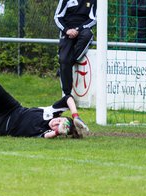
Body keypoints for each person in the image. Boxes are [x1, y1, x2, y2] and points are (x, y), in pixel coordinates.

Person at [0, 40, 86, 139]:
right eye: (60, 121)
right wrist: (75, 115)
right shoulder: (51, 112)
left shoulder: (44, 131)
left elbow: (49, 136)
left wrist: (58, 132)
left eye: (59, 126)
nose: (56, 123)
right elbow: (68, 98)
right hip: (10, 108)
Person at [54, 0, 96, 132]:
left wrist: (78, 29)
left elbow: (93, 19)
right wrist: (67, 30)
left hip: (82, 31)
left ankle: (65, 65)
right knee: (64, 60)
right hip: (67, 32)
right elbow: (58, 17)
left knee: (87, 35)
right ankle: (67, 96)